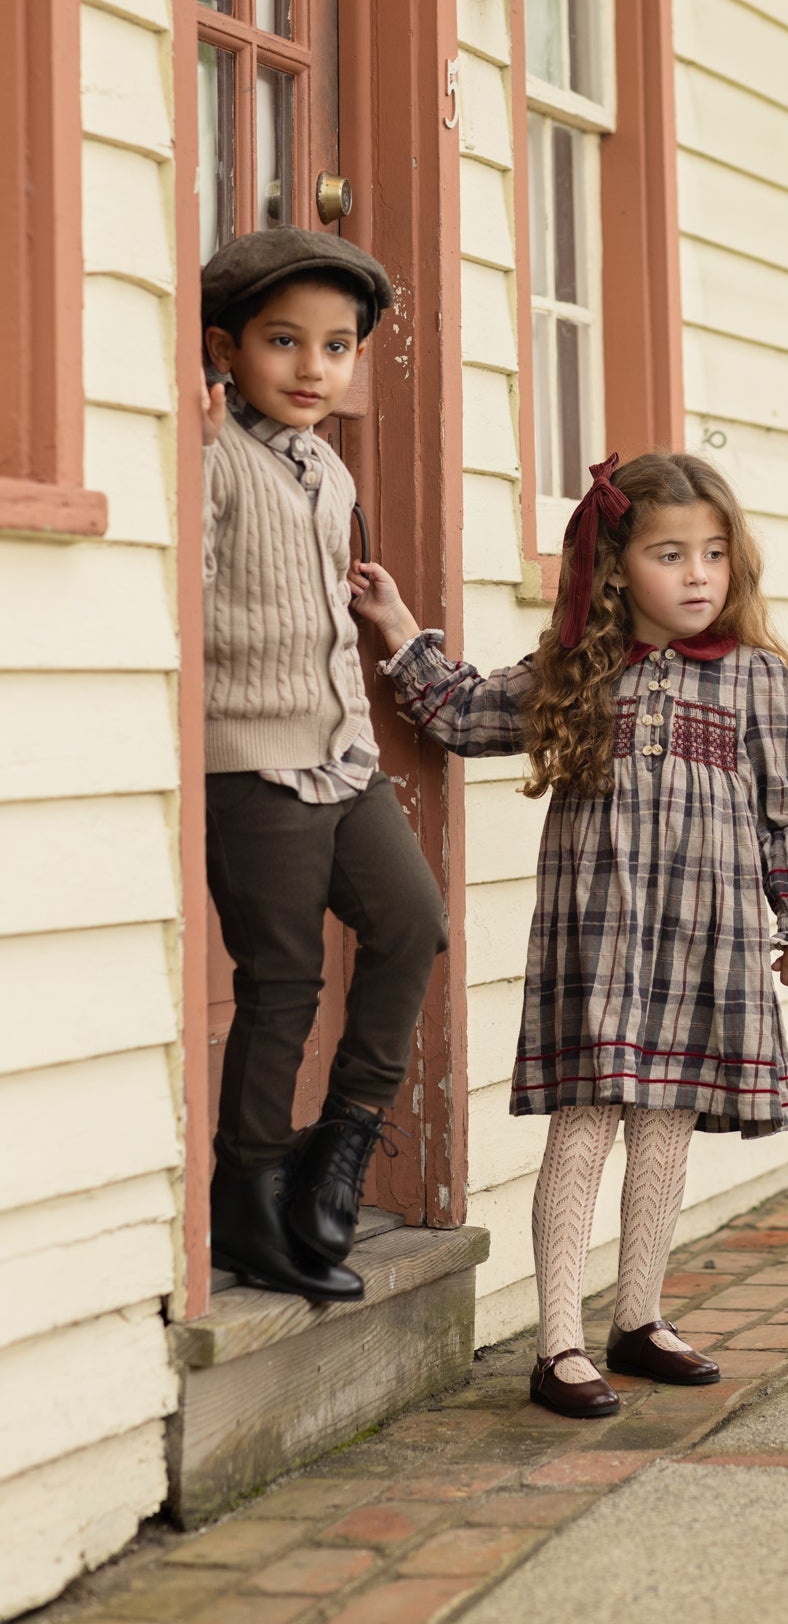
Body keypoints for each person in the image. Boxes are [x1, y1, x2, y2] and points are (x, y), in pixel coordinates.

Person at [351, 450, 788, 1417]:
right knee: (585, 1129)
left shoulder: (752, 680)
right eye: (672, 554)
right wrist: (400, 629)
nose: (699, 574)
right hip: (601, 935)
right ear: (618, 568)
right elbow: (460, 714)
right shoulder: (578, 671)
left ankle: (640, 1316)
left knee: (664, 1129)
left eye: (714, 553)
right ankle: (558, 1344)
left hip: (703, 938)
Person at [200, 226, 448, 1305]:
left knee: (412, 921)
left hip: (341, 750)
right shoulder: (212, 457)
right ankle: (248, 1192)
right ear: (225, 347)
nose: (312, 368)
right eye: (283, 341)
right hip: (251, 758)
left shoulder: (327, 465)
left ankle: (340, 1139)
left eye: (337, 346)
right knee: (284, 977)